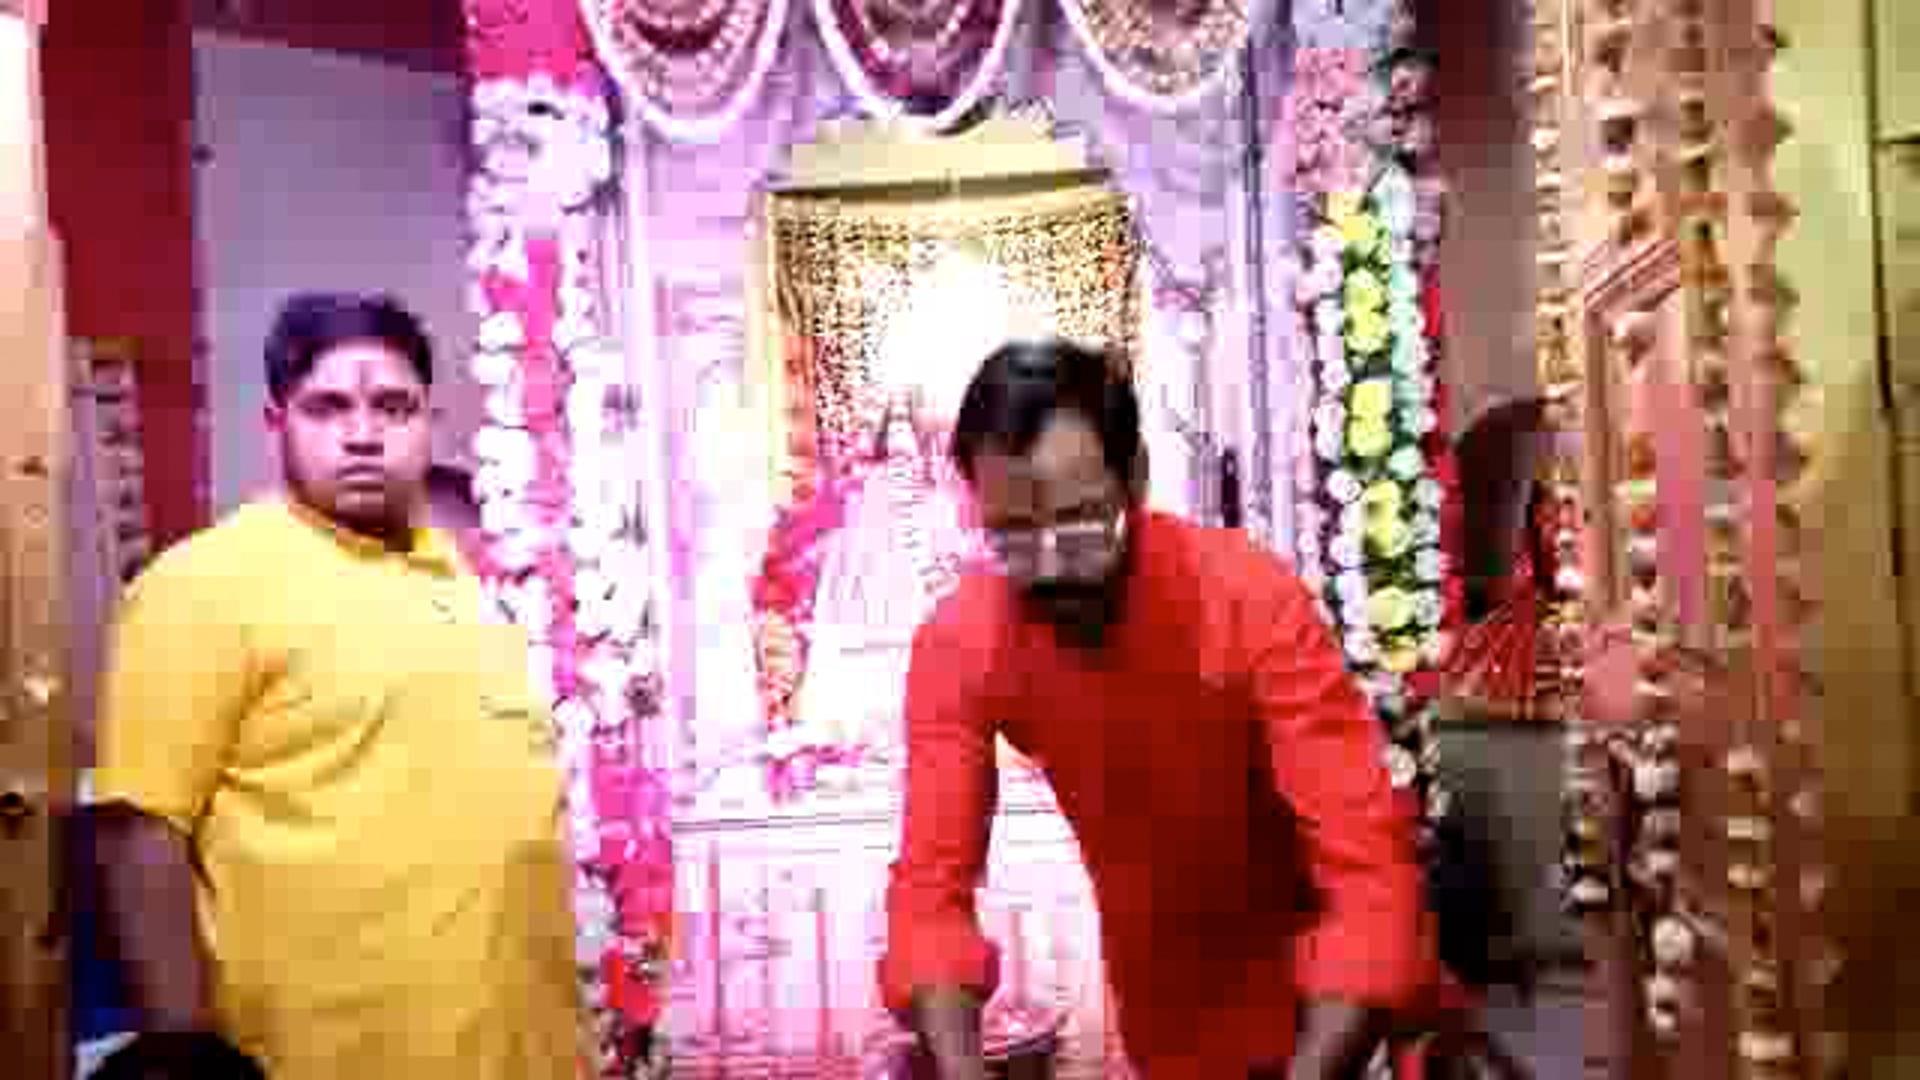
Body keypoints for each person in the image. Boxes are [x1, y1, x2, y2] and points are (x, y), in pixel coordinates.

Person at [880, 339, 1434, 1080]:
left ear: (1136, 478)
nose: (1053, 565)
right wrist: (959, 1067)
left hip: (1340, 1014)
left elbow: (1366, 868)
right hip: (1167, 1012)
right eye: (1014, 535)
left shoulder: (1245, 596)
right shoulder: (964, 640)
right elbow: (931, 887)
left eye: (1082, 523)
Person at [90, 293, 581, 1080]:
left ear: (430, 422)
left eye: (393, 406)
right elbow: (138, 829)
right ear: (276, 423)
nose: (362, 434)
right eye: (327, 407)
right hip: (323, 1052)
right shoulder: (204, 585)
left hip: (516, 1044)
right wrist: (181, 1054)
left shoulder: (454, 578)